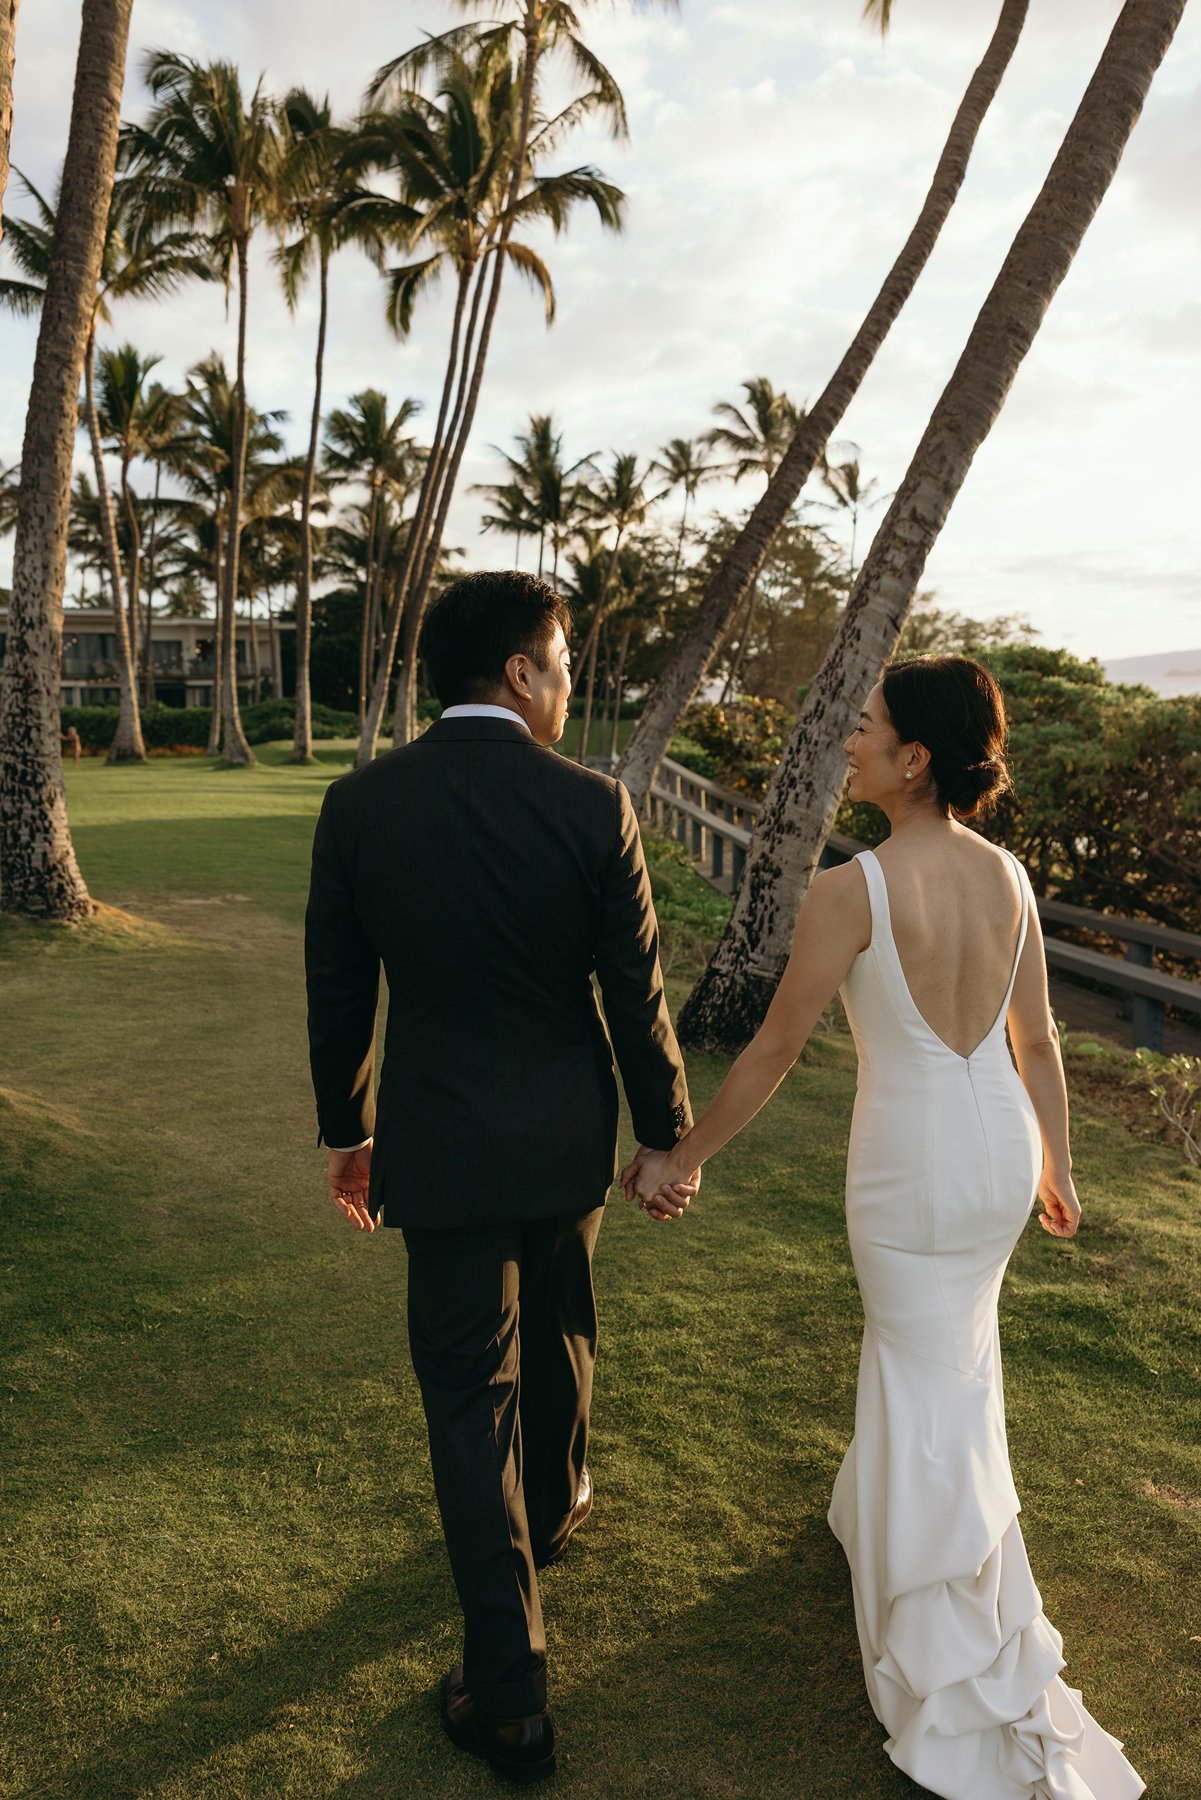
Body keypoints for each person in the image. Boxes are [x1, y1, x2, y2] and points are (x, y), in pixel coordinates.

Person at [626, 655, 1144, 1799]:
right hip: (998, 1154)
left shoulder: (848, 889)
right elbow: (1038, 1044)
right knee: (947, 1367)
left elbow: (772, 1050)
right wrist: (1057, 1165)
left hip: (910, 1169)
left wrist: (679, 1161)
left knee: (928, 1382)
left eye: (865, 728)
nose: (850, 741)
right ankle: (883, 1522)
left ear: (914, 757)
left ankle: (952, 1630)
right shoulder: (1008, 876)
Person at [304, 569, 695, 1785]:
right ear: (520, 673)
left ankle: (511, 1682)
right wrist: (664, 1133)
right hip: (564, 1134)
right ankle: (558, 1512)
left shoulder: (361, 803)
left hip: (439, 1140)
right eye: (564, 663)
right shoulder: (591, 806)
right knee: (565, 1323)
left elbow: (337, 989)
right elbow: (633, 991)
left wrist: (347, 1130)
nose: (570, 685)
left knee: (469, 1390)